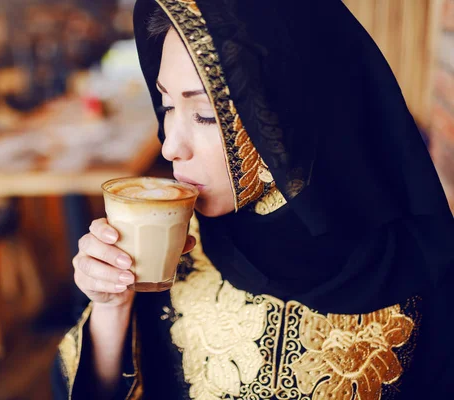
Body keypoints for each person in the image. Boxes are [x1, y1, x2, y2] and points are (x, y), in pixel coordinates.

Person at [52, 0, 454, 398]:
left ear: (288, 112)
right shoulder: (168, 250)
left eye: (206, 115)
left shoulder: (424, 275)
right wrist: (111, 308)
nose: (170, 146)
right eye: (168, 105)